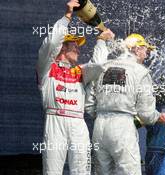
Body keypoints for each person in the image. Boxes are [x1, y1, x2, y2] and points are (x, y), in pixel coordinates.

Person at [36, 0, 115, 174]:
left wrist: (102, 40)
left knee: (82, 172)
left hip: (78, 123)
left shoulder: (81, 71)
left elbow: (99, 65)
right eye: (74, 46)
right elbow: (50, 44)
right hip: (55, 121)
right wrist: (67, 16)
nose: (78, 50)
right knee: (52, 172)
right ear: (62, 47)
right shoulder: (47, 68)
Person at [85, 33, 165, 175]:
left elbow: (88, 104)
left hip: (99, 128)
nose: (146, 55)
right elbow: (146, 113)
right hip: (123, 128)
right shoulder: (140, 72)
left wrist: (101, 114)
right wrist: (157, 117)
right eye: (145, 50)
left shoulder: (104, 67)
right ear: (136, 50)